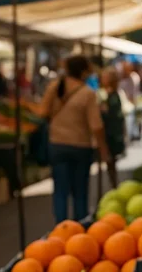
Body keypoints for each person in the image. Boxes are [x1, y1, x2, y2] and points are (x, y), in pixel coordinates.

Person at [38, 55, 110, 223]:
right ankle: (80, 228)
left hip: (57, 145)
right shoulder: (87, 94)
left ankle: (61, 228)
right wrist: (103, 149)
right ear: (83, 72)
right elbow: (96, 126)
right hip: (80, 147)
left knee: (60, 191)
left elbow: (42, 113)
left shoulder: (54, 87)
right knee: (80, 192)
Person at [99, 67, 124, 188]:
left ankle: (114, 186)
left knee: (111, 161)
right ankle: (114, 185)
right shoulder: (111, 94)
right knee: (111, 163)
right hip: (112, 132)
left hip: (111, 133)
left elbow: (112, 115)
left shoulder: (112, 96)